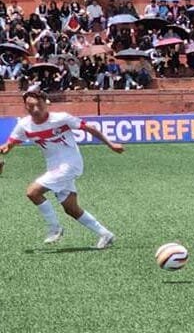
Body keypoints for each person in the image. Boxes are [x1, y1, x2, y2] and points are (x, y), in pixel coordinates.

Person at [0, 89, 124, 248]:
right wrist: (5, 150)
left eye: (39, 105)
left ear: (46, 103)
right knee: (71, 208)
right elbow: (10, 145)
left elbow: (89, 128)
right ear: (25, 106)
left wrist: (111, 144)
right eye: (30, 106)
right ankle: (105, 234)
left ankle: (54, 228)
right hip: (54, 167)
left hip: (70, 164)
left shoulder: (61, 118)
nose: (35, 109)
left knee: (33, 192)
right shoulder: (24, 125)